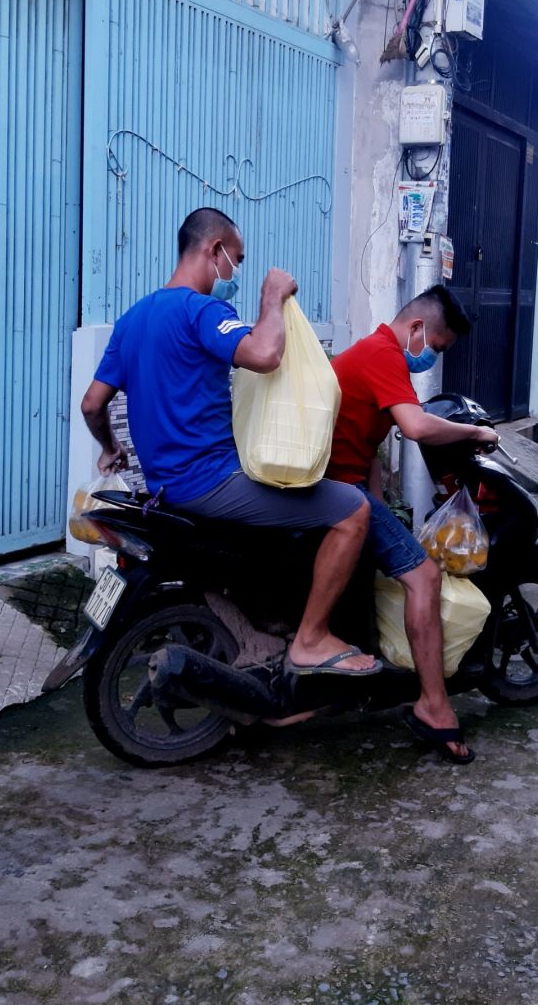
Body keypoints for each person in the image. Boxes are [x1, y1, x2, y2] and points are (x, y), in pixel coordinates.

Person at [80, 207, 378, 678]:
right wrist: (272, 296)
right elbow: (264, 354)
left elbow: (91, 405)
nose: (235, 273)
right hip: (212, 482)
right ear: (215, 250)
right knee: (353, 510)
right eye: (236, 261)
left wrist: (109, 447)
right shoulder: (202, 311)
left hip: (164, 490)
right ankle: (311, 640)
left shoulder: (132, 320)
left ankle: (268, 626)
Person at [327, 286, 499, 764]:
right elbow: (417, 426)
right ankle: (434, 707)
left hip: (346, 486)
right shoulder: (383, 354)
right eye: (437, 347)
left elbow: (368, 448)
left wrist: (384, 513)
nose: (432, 357)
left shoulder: (373, 353)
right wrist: (477, 431)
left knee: (398, 559)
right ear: (417, 329)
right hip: (339, 491)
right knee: (424, 576)